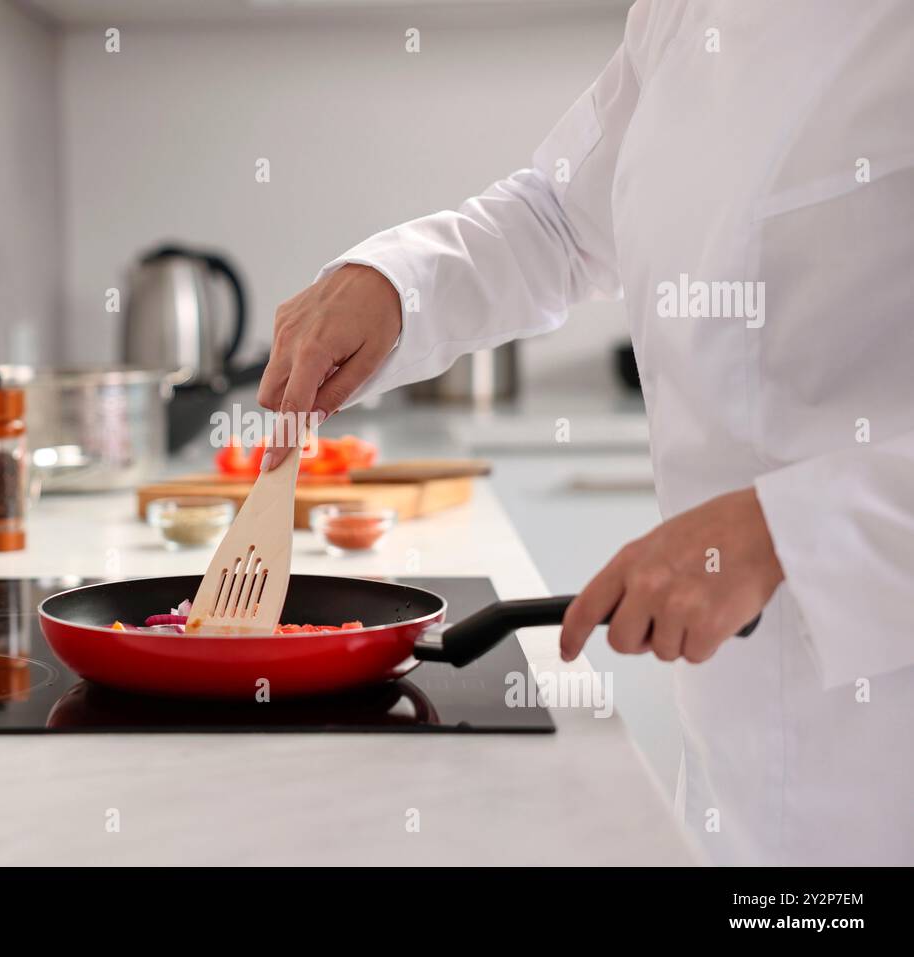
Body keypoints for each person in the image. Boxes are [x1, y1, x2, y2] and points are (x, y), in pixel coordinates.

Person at [256, 0, 913, 866]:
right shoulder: (682, 15)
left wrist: (796, 527)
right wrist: (393, 279)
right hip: (731, 764)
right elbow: (562, 218)